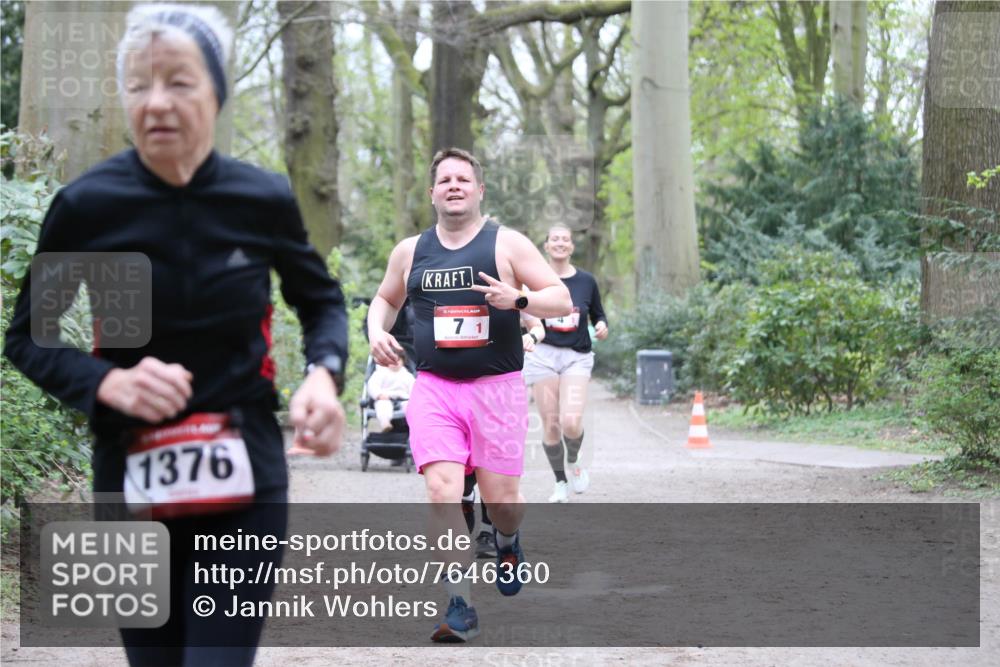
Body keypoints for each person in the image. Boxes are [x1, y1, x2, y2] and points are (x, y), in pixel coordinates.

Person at [3, 4, 347, 665]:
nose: (156, 101)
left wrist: (324, 375)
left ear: (216, 92)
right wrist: (110, 380)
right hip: (128, 475)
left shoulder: (261, 198)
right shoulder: (87, 206)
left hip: (243, 475)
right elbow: (30, 338)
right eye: (138, 84)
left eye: (179, 82)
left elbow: (321, 300)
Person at [367, 147, 571, 642]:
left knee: (503, 502)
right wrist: (376, 331)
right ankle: (459, 606)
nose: (454, 185)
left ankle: (505, 538)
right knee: (441, 491)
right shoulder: (410, 250)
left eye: (463, 179)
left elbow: (561, 299)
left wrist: (517, 298)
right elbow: (386, 298)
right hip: (435, 389)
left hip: (495, 391)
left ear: (479, 190)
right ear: (432, 192)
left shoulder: (507, 244)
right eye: (445, 180)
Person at [521, 223, 608, 503]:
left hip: (576, 356)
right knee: (551, 425)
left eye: (565, 239)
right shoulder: (532, 281)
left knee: (571, 422)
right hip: (542, 354)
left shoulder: (586, 281)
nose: (560, 243)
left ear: (571, 247)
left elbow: (598, 315)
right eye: (554, 239)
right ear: (545, 245)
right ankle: (560, 483)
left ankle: (575, 459)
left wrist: (603, 326)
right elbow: (520, 312)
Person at [366, 353, 415, 432]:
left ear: (403, 361)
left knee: (411, 407)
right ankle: (385, 422)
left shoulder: (408, 376)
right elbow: (372, 385)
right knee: (383, 406)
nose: (395, 363)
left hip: (403, 399)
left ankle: (412, 424)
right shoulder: (380, 373)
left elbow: (413, 388)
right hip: (385, 397)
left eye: (398, 360)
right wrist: (379, 395)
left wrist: (413, 398)